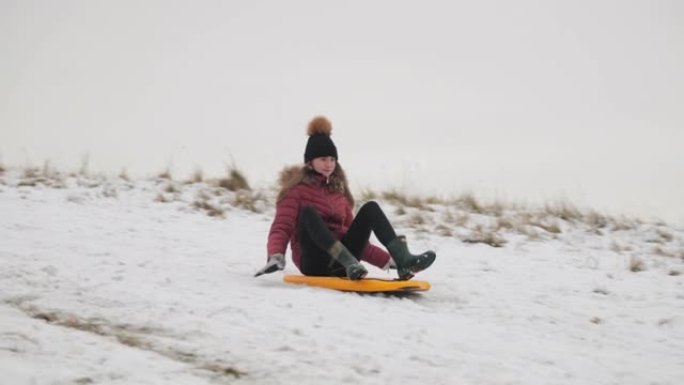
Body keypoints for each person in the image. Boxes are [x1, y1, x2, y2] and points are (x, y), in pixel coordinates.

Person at [254, 116, 436, 280]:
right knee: (308, 213)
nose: (329, 164)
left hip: (347, 265)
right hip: (314, 262)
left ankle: (402, 260)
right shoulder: (295, 191)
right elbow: (281, 226)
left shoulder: (338, 193)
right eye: (323, 159)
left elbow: (352, 235)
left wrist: (387, 262)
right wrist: (276, 256)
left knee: (370, 208)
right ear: (310, 161)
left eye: (332, 159)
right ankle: (348, 261)